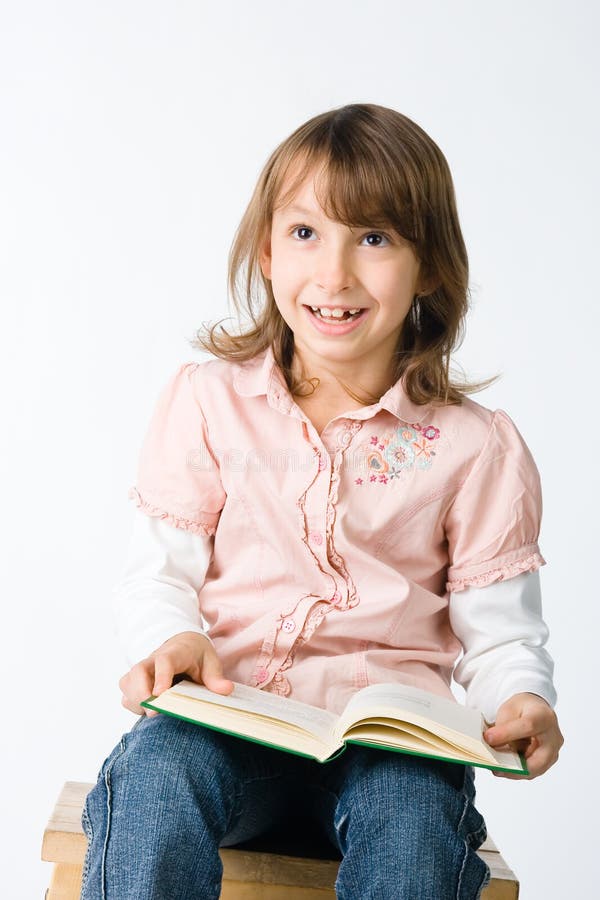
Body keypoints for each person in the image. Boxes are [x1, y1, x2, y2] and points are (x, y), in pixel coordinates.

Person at [80, 103, 563, 900]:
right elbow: (157, 575)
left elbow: (501, 629)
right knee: (155, 774)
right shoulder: (209, 402)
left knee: (412, 826)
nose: (334, 274)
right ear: (266, 251)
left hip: (391, 752)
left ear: (431, 268)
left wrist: (523, 699)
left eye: (373, 239)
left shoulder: (477, 445)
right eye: (306, 233)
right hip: (231, 726)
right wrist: (171, 640)